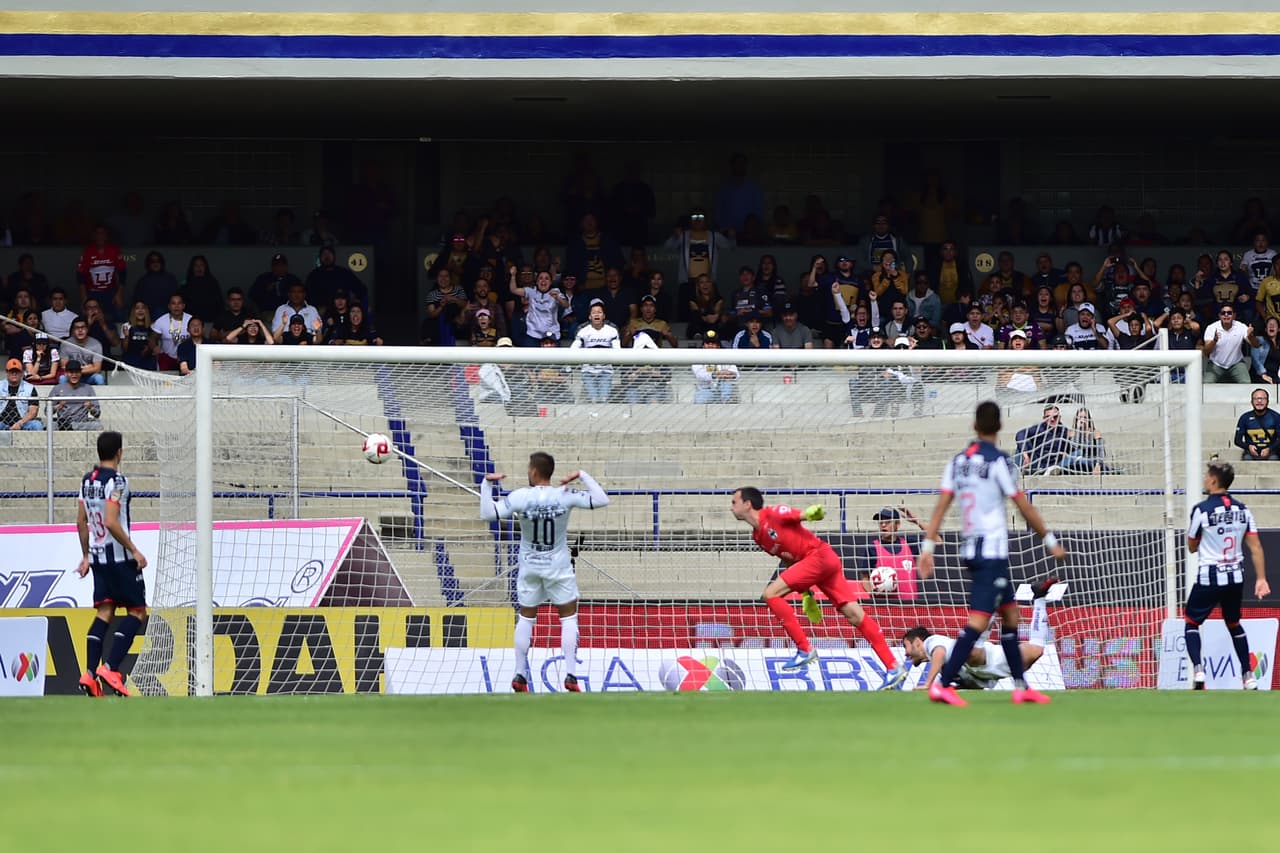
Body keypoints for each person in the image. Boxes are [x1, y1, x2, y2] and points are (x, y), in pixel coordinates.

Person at [917, 401, 1067, 706]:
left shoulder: (958, 462)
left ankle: (1021, 686)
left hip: (972, 550)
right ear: (999, 428)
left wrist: (928, 547)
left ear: (974, 426)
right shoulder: (998, 461)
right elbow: (1022, 504)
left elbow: (942, 506)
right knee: (979, 622)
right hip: (991, 552)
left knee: (1011, 616)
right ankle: (943, 684)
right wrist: (1049, 538)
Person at [729, 487, 908, 685]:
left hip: (819, 557)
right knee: (854, 615)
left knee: (770, 594)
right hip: (819, 563)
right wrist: (807, 594)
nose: (731, 508)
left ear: (747, 504)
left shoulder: (772, 513)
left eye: (734, 502)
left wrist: (812, 513)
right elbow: (789, 560)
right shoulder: (758, 537)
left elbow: (802, 515)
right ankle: (893, 667)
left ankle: (804, 648)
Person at [479, 452, 610, 692]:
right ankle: (570, 674)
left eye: (529, 468)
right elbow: (602, 499)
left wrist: (486, 484)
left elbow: (488, 514)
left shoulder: (520, 496)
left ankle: (519, 674)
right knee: (568, 617)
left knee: (526, 617)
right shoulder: (565, 495)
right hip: (558, 566)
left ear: (535, 471)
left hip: (530, 566)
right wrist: (582, 475)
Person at [1184, 461, 1271, 689]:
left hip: (1210, 575)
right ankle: (1248, 676)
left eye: (1206, 476)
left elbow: (1192, 546)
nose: (1204, 479)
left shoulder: (1201, 510)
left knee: (1191, 622)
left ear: (1213, 481)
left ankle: (1199, 671)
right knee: (1233, 623)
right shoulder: (1243, 510)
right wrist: (1261, 579)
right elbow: (1256, 547)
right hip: (1235, 576)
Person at [75, 431, 149, 697]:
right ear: (120, 452)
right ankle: (110, 668)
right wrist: (135, 551)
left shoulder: (87, 480)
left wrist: (86, 556)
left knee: (104, 613)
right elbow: (111, 521)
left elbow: (80, 522)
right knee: (137, 612)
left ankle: (89, 673)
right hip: (119, 559)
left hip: (98, 558)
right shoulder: (117, 482)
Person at [902, 580, 1059, 689]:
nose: (905, 653)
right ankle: (1039, 597)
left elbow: (940, 653)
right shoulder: (946, 670)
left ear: (917, 642)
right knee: (1037, 650)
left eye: (905, 646)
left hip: (983, 658)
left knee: (972, 654)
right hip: (996, 669)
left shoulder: (931, 642)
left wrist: (928, 683)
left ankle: (991, 604)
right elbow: (974, 685)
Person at [859, 506, 925, 600]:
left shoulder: (910, 544)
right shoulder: (872, 548)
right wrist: (873, 595)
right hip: (885, 608)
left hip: (911, 608)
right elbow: (865, 578)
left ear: (897, 525)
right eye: (881, 522)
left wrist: (916, 521)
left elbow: (937, 540)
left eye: (888, 521)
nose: (883, 525)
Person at [569, 300, 621, 403]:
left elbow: (617, 350)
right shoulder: (583, 331)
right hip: (588, 370)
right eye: (594, 312)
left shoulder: (612, 331)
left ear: (604, 316)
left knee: (603, 399)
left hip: (606, 370)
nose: (597, 314)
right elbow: (574, 348)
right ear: (590, 316)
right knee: (593, 399)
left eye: (599, 312)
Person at [1015, 405, 1070, 474]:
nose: (1052, 419)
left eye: (1055, 417)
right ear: (1044, 418)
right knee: (1022, 444)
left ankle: (1049, 470)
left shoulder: (1064, 431)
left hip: (1054, 464)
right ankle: (1019, 471)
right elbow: (1020, 434)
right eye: (1049, 417)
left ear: (1060, 417)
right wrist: (1025, 456)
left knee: (1077, 454)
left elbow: (1067, 449)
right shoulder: (1039, 428)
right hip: (1037, 462)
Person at [49, 360, 101, 430]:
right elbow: (47, 411)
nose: (74, 375)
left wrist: (90, 407)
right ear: (66, 373)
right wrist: (59, 406)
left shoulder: (88, 388)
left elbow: (97, 414)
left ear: (80, 373)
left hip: (82, 424)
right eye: (71, 372)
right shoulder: (57, 388)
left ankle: (72, 427)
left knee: (97, 425)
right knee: (50, 425)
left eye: (77, 372)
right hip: (62, 423)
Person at [1062, 407, 1115, 474]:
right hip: (1076, 463)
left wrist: (1098, 465)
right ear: (1076, 419)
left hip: (1092, 463)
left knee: (1101, 467)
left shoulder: (1095, 433)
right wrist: (1078, 429)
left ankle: (1116, 471)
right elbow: (1075, 447)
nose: (1082, 420)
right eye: (1080, 417)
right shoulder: (1071, 433)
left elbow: (1101, 452)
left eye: (1085, 417)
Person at [691, 330, 738, 403]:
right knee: (700, 399)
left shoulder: (727, 356)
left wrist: (729, 374)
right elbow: (700, 375)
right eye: (707, 343)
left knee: (726, 384)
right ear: (703, 345)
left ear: (718, 346)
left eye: (713, 343)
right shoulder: (697, 357)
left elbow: (736, 374)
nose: (710, 345)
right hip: (706, 390)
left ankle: (728, 406)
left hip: (724, 388)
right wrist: (716, 374)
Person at [1234, 388, 1280, 461]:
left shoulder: (1276, 417)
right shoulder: (1245, 418)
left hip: (1271, 453)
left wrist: (1270, 449)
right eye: (1256, 399)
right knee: (1247, 459)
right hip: (1250, 453)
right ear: (1251, 402)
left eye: (1262, 398)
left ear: (1267, 401)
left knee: (1274, 459)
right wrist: (1248, 447)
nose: (1259, 401)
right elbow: (1237, 440)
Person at [1, 357, 43, 430]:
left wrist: (20, 423)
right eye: (11, 371)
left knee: (37, 425)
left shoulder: (30, 388)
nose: (14, 373)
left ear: (22, 373)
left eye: (17, 371)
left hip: (23, 422)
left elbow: (33, 412)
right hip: (2, 422)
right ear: (7, 372)